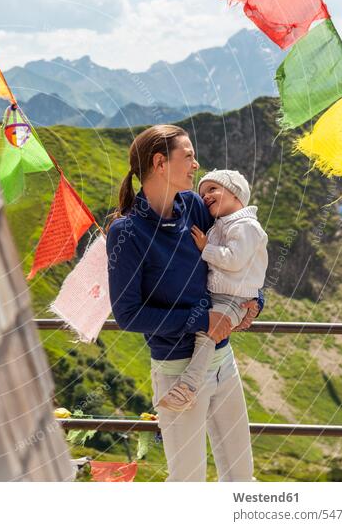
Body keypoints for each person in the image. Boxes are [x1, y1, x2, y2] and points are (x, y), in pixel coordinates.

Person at [106, 125, 262, 482]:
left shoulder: (193, 206)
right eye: (188, 156)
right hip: (178, 374)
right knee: (188, 482)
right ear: (161, 163)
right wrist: (199, 320)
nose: (196, 164)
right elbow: (128, 315)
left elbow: (237, 250)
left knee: (242, 479)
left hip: (224, 362)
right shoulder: (126, 232)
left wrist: (255, 300)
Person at [157, 170, 268, 412]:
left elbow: (235, 260)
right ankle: (188, 387)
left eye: (213, 189)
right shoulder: (222, 224)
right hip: (220, 296)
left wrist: (206, 247)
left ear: (236, 194)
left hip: (234, 298)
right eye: (203, 192)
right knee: (206, 330)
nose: (206, 196)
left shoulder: (246, 226)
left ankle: (187, 388)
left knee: (207, 333)